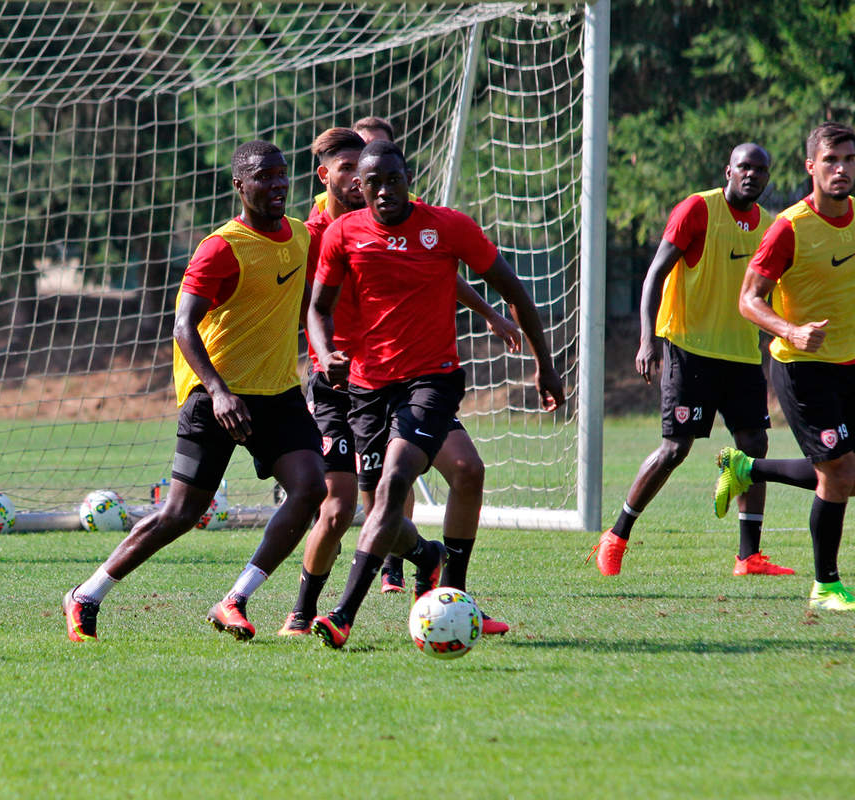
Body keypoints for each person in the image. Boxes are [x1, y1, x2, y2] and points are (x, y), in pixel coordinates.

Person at [61, 140, 327, 642]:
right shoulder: (221, 248)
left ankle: (235, 598)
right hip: (216, 393)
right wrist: (218, 391)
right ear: (240, 186)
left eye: (282, 175)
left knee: (312, 487)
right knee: (182, 512)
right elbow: (183, 326)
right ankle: (86, 594)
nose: (276, 185)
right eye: (263, 177)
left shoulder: (299, 237)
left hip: (278, 392)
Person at [307, 140, 564, 648]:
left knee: (398, 480)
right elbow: (318, 308)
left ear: (408, 178)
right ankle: (433, 562)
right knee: (437, 480)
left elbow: (513, 290)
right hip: (367, 391)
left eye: (393, 181)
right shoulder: (344, 233)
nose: (384, 192)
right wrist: (326, 350)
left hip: (432, 380)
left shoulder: (447, 227)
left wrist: (545, 365)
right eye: (373, 183)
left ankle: (345, 614)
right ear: (359, 186)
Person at [589, 143, 792, 577]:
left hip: (740, 353)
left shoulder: (772, 227)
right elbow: (655, 274)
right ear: (728, 171)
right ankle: (616, 535)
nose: (752, 175)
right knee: (675, 449)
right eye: (744, 167)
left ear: (767, 177)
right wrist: (649, 340)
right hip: (689, 349)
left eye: (760, 169)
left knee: (754, 446)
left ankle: (748, 556)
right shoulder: (697, 209)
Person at [723, 122, 855, 610]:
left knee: (845, 475)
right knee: (838, 474)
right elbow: (748, 300)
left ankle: (747, 467)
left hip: (849, 365)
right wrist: (792, 330)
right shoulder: (790, 228)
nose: (841, 169)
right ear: (811, 167)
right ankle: (825, 586)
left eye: (849, 159)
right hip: (803, 368)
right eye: (830, 161)